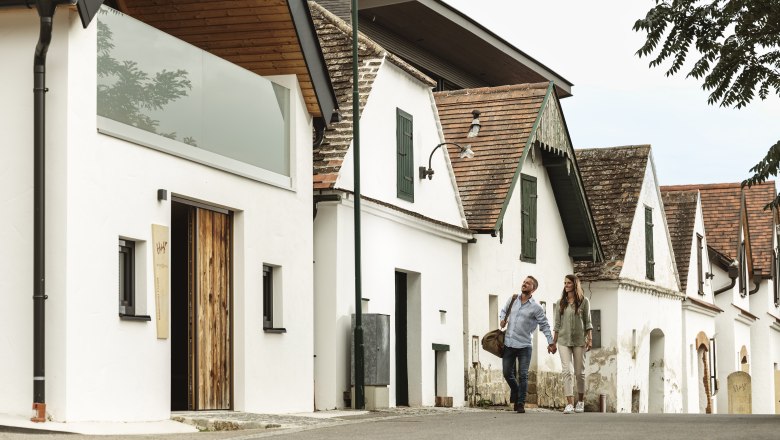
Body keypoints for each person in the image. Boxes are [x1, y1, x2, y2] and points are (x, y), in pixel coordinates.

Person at [500, 275, 556, 413]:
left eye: (528, 283)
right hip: (509, 342)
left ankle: (520, 403)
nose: (524, 284)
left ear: (533, 289)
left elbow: (545, 325)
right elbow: (503, 311)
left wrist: (551, 342)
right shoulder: (513, 299)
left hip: (525, 346)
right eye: (524, 282)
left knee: (523, 375)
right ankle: (517, 390)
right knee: (507, 373)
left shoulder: (536, 308)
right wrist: (502, 319)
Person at [553, 274, 593, 414]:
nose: (566, 285)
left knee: (579, 373)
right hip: (563, 340)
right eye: (565, 283)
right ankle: (569, 403)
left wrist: (590, 339)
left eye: (569, 283)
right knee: (566, 371)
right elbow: (557, 324)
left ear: (575, 284)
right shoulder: (560, 303)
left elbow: (588, 322)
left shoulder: (584, 301)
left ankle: (580, 402)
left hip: (579, 340)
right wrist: (553, 342)